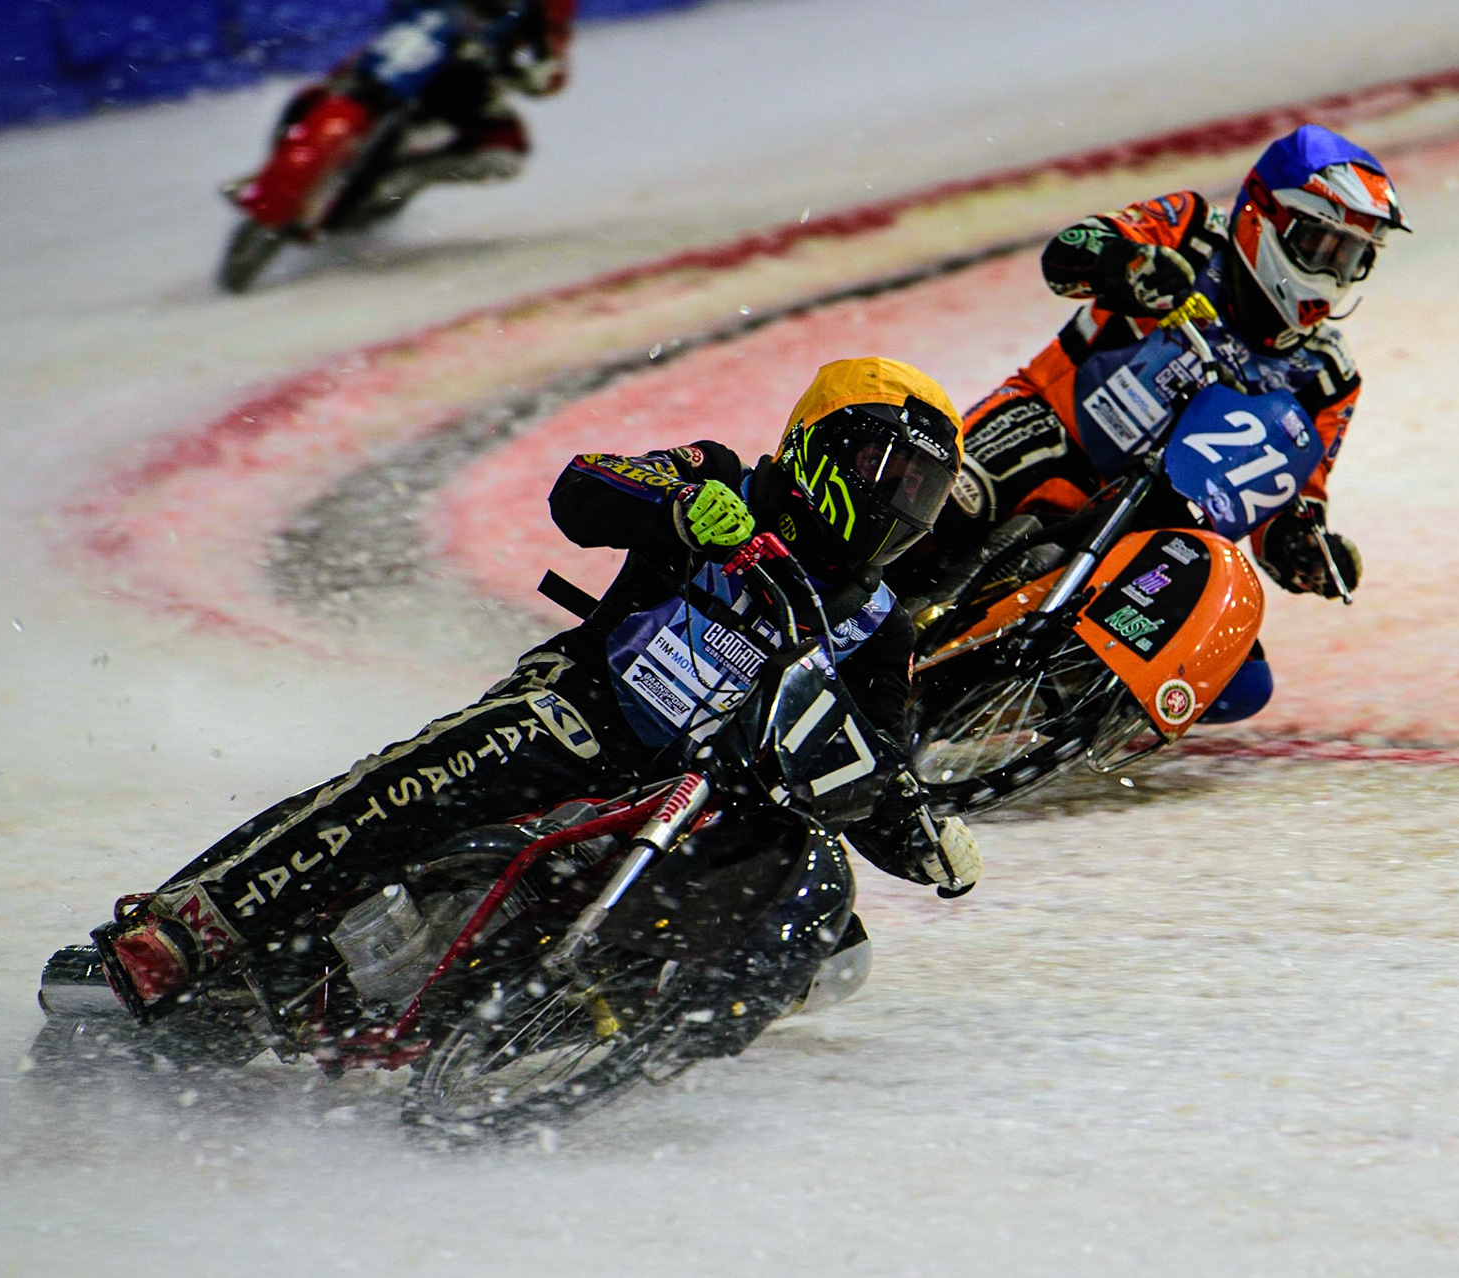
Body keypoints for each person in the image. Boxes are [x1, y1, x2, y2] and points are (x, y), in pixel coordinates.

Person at [100, 357, 984, 1034]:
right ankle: (194, 925)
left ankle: (576, 1030)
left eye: (922, 489)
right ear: (821, 447)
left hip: (698, 800)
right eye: (887, 470)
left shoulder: (881, 626)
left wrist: (924, 834)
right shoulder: (723, 478)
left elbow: (869, 761)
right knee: (415, 782)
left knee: (828, 946)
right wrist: (679, 507)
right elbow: (584, 488)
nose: (900, 504)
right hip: (584, 712)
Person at [886, 124, 1409, 722]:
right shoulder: (1191, 231)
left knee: (1237, 679)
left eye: (1354, 257)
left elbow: (1292, 492)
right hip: (1052, 426)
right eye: (1324, 247)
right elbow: (1068, 253)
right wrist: (1127, 264)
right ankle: (807, 624)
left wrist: (1302, 545)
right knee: (927, 510)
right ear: (1264, 217)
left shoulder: (1327, 376)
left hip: (1152, 523)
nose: (1335, 276)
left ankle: (1016, 709)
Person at [286, 0, 574, 186]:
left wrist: (535, 74)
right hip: (405, 50)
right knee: (328, 90)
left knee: (503, 155)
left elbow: (552, 58)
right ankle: (283, 152)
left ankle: (402, 179)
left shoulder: (548, 7)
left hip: (463, 81)